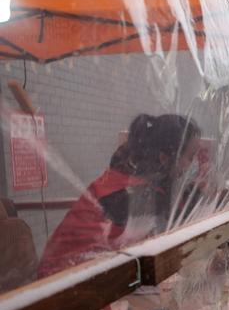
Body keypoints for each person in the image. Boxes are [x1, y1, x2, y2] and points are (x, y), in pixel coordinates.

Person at [38, 114, 202, 277]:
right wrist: (200, 192)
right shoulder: (133, 194)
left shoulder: (128, 179)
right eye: (190, 157)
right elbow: (174, 227)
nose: (192, 165)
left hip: (75, 277)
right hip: (62, 285)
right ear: (165, 159)